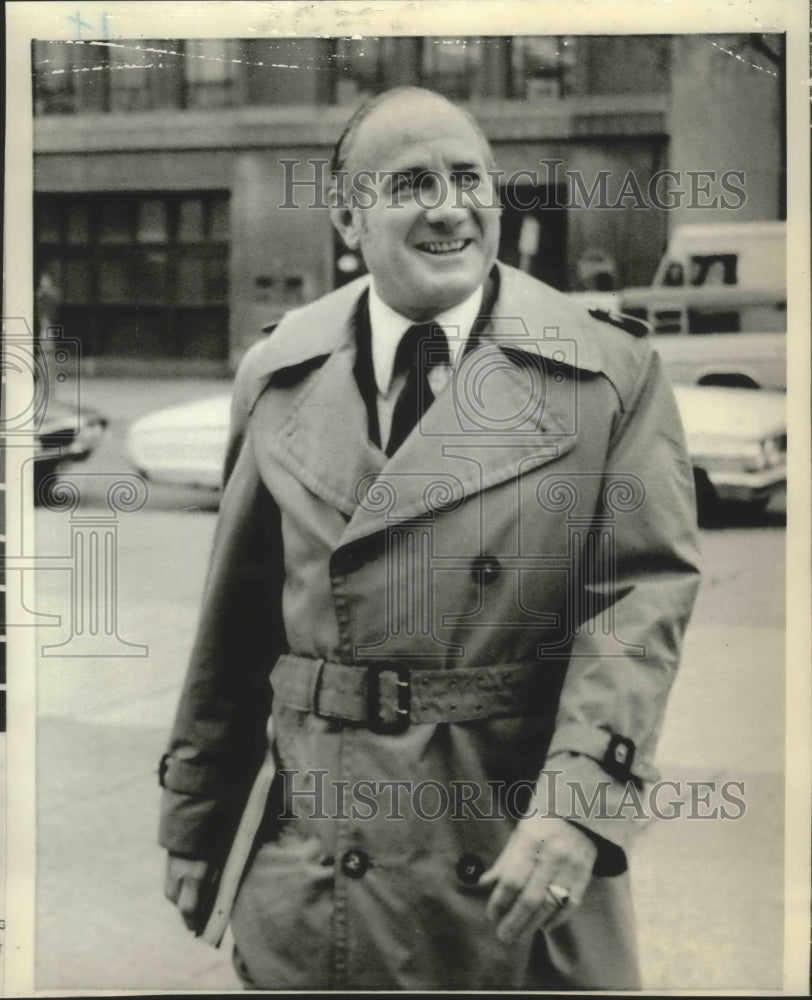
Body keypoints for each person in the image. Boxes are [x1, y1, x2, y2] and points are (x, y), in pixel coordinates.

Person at [159, 87, 701, 990]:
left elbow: (638, 605)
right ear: (347, 215)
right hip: (319, 868)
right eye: (413, 183)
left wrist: (579, 807)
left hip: (512, 860)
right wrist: (196, 817)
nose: (450, 208)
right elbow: (236, 625)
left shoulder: (607, 371)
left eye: (469, 179)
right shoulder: (279, 370)